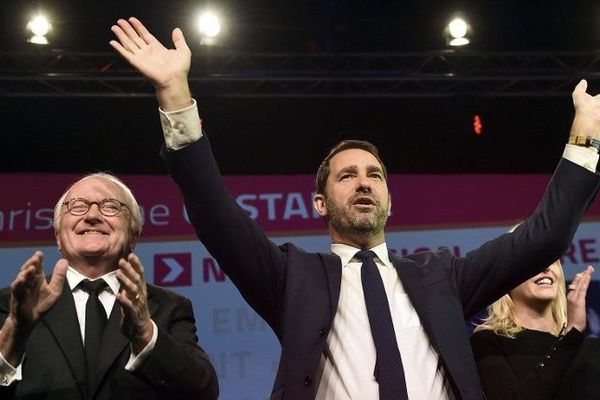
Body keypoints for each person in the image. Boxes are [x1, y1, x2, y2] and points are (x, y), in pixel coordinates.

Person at [110, 17, 600, 400]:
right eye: (347, 176)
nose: (364, 183)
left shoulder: (442, 277)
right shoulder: (291, 277)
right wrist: (175, 94)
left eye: (375, 175)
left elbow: (547, 236)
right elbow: (216, 217)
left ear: (390, 199)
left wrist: (586, 133)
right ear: (319, 203)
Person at [0, 173, 218, 400]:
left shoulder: (169, 307)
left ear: (134, 235)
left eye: (110, 206)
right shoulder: (11, 306)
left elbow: (204, 392)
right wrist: (14, 332)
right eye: (77, 206)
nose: (92, 215)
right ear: (57, 235)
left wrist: (146, 335)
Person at [471, 260, 600, 400]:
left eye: (552, 260)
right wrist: (571, 336)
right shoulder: (487, 342)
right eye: (534, 258)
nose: (546, 267)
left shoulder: (592, 348)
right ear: (506, 279)